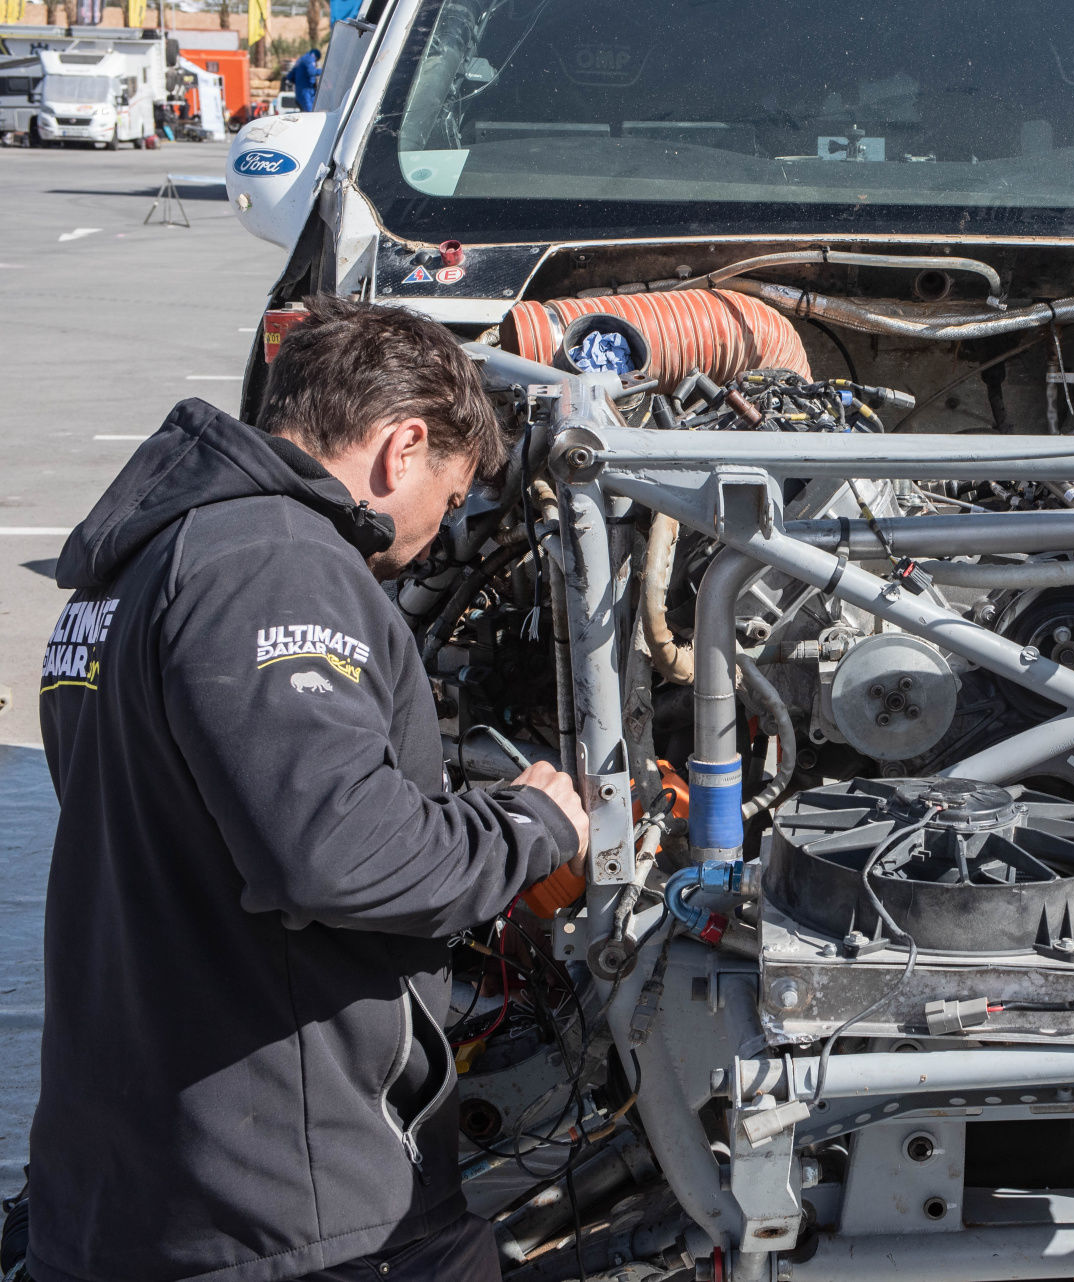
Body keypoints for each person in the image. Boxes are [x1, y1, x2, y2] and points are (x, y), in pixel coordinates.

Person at [28, 297, 589, 1282]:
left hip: (154, 1162)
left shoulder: (136, 566)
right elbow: (338, 851)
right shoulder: (277, 562)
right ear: (400, 445)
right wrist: (529, 825)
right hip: (286, 1203)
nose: (437, 536)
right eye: (452, 500)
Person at [284, 46, 322, 111]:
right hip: (307, 92)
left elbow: (290, 76)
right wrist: (324, 70)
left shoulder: (300, 60)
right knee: (311, 114)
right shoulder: (310, 58)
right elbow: (311, 72)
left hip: (299, 93)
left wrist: (299, 82)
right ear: (316, 57)